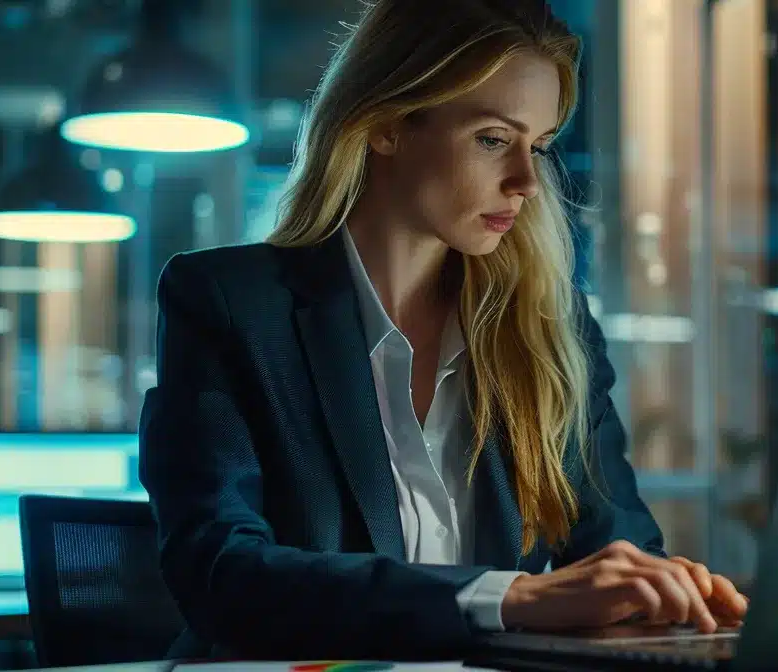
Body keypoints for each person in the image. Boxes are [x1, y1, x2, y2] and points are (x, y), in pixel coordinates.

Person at [141, 0, 747, 660]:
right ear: (387, 126)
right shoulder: (230, 304)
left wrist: (658, 594)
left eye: (538, 148)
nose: (527, 183)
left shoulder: (550, 329)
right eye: (492, 140)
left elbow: (615, 555)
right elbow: (221, 574)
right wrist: (507, 597)